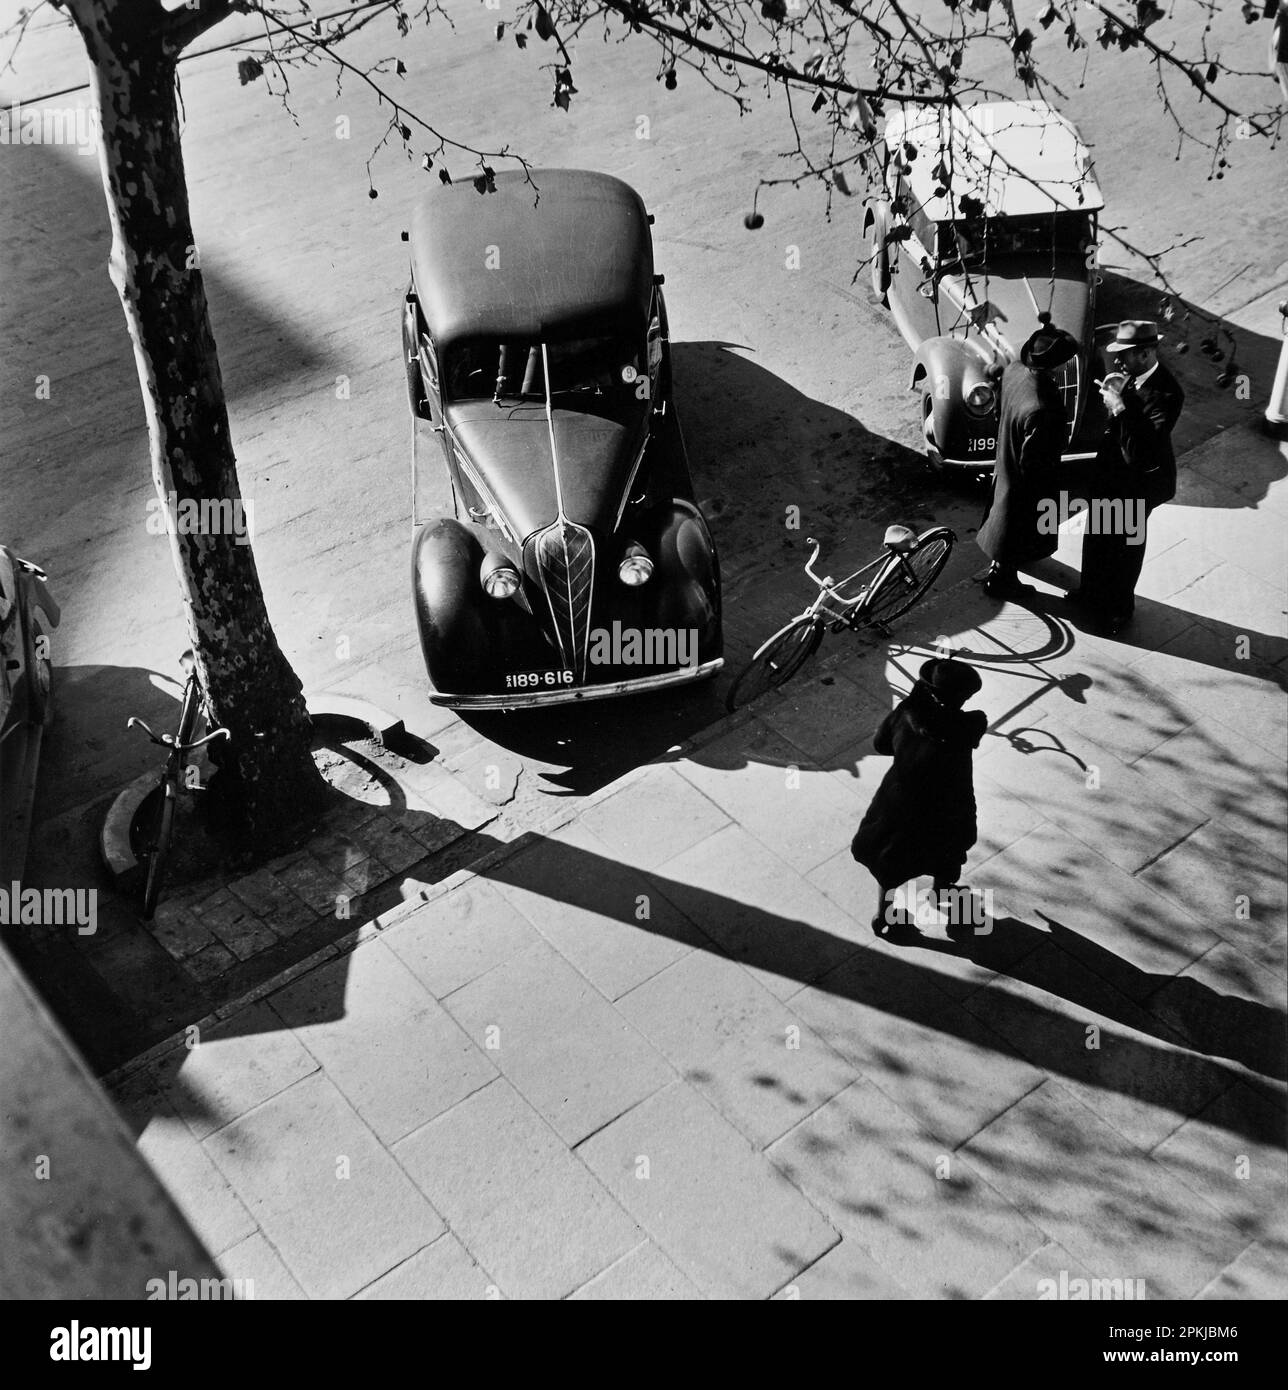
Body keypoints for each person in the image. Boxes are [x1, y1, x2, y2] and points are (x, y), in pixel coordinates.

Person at [851, 658, 988, 937]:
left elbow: (880, 743)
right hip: (947, 806)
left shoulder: (908, 712)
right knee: (947, 855)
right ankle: (942, 893)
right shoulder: (969, 724)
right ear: (965, 696)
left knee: (890, 859)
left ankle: (886, 917)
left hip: (899, 801)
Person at [1070, 320, 1184, 635]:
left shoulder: (1168, 394)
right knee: (1097, 538)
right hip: (1109, 478)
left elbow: (1141, 452)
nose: (1119, 360)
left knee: (1124, 550)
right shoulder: (1130, 377)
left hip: (1137, 486)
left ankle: (1119, 609)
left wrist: (1119, 408)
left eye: (1127, 354)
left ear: (1146, 353)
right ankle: (1090, 592)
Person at [977, 321, 1079, 596]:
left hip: (1005, 459)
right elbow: (1036, 463)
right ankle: (1002, 580)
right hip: (1025, 482)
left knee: (1003, 520)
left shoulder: (1013, 371)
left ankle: (1000, 566)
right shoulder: (1043, 407)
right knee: (1015, 529)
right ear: (1055, 366)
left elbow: (998, 411)